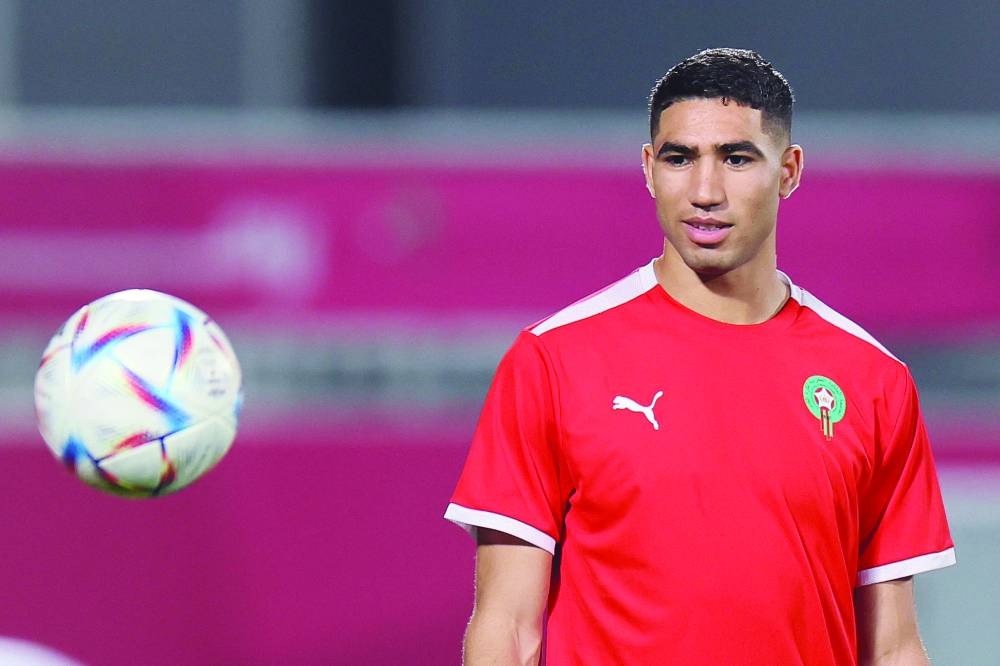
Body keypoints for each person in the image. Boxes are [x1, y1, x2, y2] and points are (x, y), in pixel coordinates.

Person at [444, 47, 955, 665]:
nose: (705, 190)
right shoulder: (553, 360)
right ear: (649, 169)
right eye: (680, 158)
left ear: (789, 170)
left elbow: (894, 645)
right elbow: (507, 626)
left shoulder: (874, 380)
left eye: (736, 158)